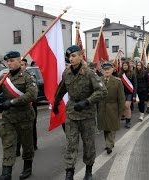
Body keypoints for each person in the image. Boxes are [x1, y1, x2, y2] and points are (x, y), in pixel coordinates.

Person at [0, 51, 38, 180]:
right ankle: (6, 172)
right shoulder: (4, 78)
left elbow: (32, 95)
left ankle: (27, 167)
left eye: (12, 61)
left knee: (27, 144)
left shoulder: (28, 76)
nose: (9, 63)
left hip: (25, 116)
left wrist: (12, 102)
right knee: (8, 143)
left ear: (19, 62)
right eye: (7, 61)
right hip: (8, 117)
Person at [53, 45, 107, 180]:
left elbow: (102, 91)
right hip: (72, 112)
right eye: (69, 57)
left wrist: (87, 102)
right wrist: (56, 102)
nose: (71, 59)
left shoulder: (89, 73)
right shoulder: (67, 73)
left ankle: (88, 171)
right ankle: (69, 172)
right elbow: (62, 88)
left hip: (87, 114)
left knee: (88, 144)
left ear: (81, 56)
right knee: (71, 144)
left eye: (73, 56)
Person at [97, 61, 125, 154]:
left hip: (113, 108)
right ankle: (109, 142)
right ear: (102, 71)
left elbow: (121, 98)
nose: (107, 71)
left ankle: (109, 144)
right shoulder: (98, 81)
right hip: (102, 107)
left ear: (112, 70)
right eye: (105, 69)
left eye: (108, 69)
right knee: (105, 127)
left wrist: (121, 112)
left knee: (112, 127)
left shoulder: (117, 82)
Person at [16, 59, 39, 157]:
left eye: (22, 65)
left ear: (26, 66)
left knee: (31, 126)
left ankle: (33, 144)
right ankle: (16, 148)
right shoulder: (13, 77)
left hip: (29, 104)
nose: (21, 66)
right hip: (17, 105)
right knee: (17, 128)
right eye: (19, 64)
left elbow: (32, 91)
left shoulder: (30, 76)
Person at [119, 61, 137, 128]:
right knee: (123, 107)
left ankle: (128, 122)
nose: (125, 66)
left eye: (126, 65)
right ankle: (125, 117)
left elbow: (135, 85)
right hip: (122, 93)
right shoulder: (120, 74)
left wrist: (134, 95)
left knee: (127, 106)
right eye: (124, 65)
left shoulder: (132, 73)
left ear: (128, 66)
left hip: (129, 93)